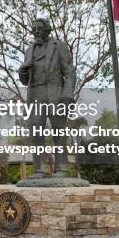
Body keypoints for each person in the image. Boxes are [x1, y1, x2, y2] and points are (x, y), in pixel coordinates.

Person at [18, 18, 76, 178]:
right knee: (36, 133)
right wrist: (22, 70)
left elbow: (69, 73)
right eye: (33, 29)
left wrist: (67, 95)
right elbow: (25, 80)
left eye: (39, 28)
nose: (36, 31)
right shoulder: (29, 51)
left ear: (47, 29)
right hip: (35, 94)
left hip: (55, 94)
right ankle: (40, 169)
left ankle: (62, 168)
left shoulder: (60, 46)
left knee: (59, 132)